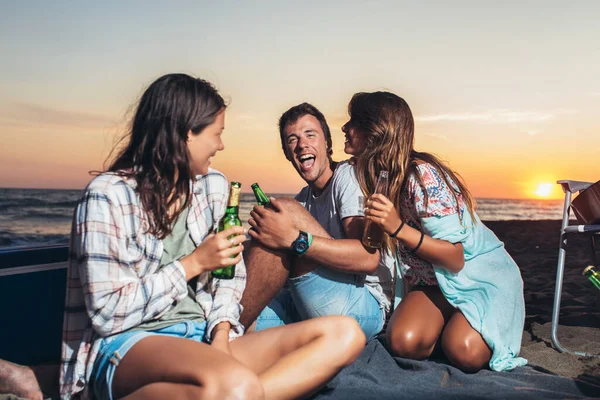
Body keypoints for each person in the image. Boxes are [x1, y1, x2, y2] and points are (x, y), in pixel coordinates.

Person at [60, 74, 366, 400]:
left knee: (345, 334)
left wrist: (221, 334)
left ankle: (234, 393)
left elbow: (228, 280)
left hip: (204, 335)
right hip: (132, 342)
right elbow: (107, 314)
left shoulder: (213, 187)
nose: (221, 145)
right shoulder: (107, 195)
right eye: (216, 133)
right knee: (236, 385)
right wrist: (192, 264)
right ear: (185, 134)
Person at [343, 91, 527, 372]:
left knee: (464, 352)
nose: (345, 128)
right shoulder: (373, 175)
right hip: (432, 282)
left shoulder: (423, 176)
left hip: (475, 278)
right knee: (403, 342)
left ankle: (468, 325)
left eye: (352, 121)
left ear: (376, 131)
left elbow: (455, 259)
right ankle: (448, 322)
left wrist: (398, 228)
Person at [240, 103, 394, 341]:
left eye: (310, 134)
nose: (302, 144)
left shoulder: (347, 177)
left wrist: (294, 239)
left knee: (284, 211)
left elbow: (368, 257)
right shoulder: (304, 198)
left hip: (363, 305)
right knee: (244, 321)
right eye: (292, 139)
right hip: (308, 299)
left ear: (327, 144)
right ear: (287, 152)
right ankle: (221, 332)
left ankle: (225, 331)